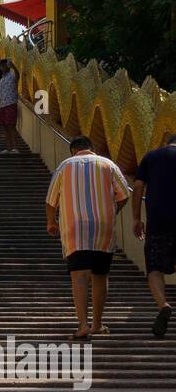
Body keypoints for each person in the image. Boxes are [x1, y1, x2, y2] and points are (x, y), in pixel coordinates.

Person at [46, 135, 130, 338]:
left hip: (74, 229)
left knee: (79, 276)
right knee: (100, 276)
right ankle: (97, 324)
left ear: (73, 150)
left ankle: (83, 324)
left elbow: (51, 200)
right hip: (103, 228)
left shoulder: (65, 166)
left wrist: (51, 222)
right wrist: (111, 212)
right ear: (91, 148)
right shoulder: (108, 164)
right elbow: (124, 195)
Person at [132, 133, 176, 337]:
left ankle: (163, 305)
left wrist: (136, 218)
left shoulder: (152, 156)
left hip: (157, 223)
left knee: (154, 269)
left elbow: (138, 186)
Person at [0, 58, 20, 152]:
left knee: (11, 125)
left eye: (4, 65)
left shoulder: (13, 75)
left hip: (11, 103)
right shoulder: (1, 79)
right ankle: (8, 147)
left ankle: (14, 147)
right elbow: (1, 93)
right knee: (5, 126)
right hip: (2, 105)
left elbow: (18, 75)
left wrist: (13, 66)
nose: (3, 67)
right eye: (1, 66)